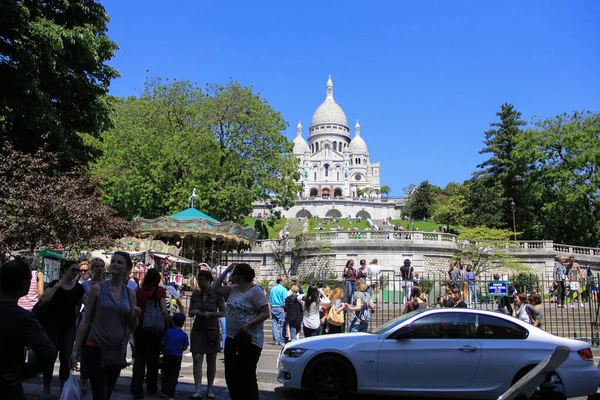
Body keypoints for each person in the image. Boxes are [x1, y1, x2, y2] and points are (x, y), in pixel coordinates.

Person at [71, 252, 138, 400]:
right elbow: (86, 319)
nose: (114, 264)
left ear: (127, 268)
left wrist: (134, 315)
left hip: (116, 349)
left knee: (107, 393)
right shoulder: (98, 289)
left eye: (119, 262)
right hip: (95, 347)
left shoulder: (130, 293)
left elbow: (132, 326)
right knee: (100, 393)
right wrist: (76, 349)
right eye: (113, 261)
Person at [213, 263, 270, 400]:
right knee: (231, 375)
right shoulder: (233, 289)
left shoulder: (255, 291)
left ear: (242, 276)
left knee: (246, 376)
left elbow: (265, 313)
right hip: (232, 338)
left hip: (249, 341)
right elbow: (215, 288)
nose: (232, 276)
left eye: (234, 274)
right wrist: (226, 270)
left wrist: (249, 325)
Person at [0, 260, 55, 400]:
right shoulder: (22, 317)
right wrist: (26, 372)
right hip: (7, 385)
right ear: (24, 285)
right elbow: (48, 351)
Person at [39, 259, 85, 399]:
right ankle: (46, 386)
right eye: (73, 270)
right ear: (65, 270)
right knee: (50, 355)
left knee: (66, 357)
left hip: (69, 326)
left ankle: (62, 387)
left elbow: (87, 302)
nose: (76, 273)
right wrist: (57, 286)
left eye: (78, 270)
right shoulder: (55, 284)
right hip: (52, 325)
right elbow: (44, 299)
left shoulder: (78, 288)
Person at [131, 268, 169, 399]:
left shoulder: (139, 291)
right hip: (155, 329)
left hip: (141, 327)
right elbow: (164, 310)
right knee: (153, 359)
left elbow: (134, 308)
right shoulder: (160, 291)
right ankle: (151, 386)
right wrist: (167, 325)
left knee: (140, 359)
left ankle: (136, 389)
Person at [188, 270, 225, 400]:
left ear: (209, 281)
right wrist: (194, 311)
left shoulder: (216, 295)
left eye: (202, 279)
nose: (199, 282)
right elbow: (189, 312)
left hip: (211, 329)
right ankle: (197, 389)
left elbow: (223, 312)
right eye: (198, 279)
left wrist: (211, 314)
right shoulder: (195, 294)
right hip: (198, 329)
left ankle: (209, 389)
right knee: (197, 358)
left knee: (211, 360)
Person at [79, 257, 107, 393]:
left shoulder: (108, 285)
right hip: (88, 321)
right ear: (92, 269)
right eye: (97, 266)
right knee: (86, 353)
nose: (99, 269)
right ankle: (84, 379)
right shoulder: (85, 285)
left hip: (102, 322)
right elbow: (86, 302)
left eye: (102, 266)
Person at [161, 313, 189, 400]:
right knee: (174, 375)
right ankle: (171, 393)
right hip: (177, 356)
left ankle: (164, 391)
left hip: (167, 354)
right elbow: (185, 347)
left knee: (165, 373)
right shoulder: (184, 335)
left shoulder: (169, 332)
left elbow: (163, 342)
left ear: (173, 322)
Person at [269, 276, 287, 346]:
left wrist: (271, 307)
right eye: (283, 280)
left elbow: (270, 299)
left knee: (274, 324)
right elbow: (285, 300)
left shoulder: (272, 289)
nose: (284, 281)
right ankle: (282, 340)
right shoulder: (283, 289)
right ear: (281, 281)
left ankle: (276, 340)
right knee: (282, 324)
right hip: (280, 307)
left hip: (273, 307)